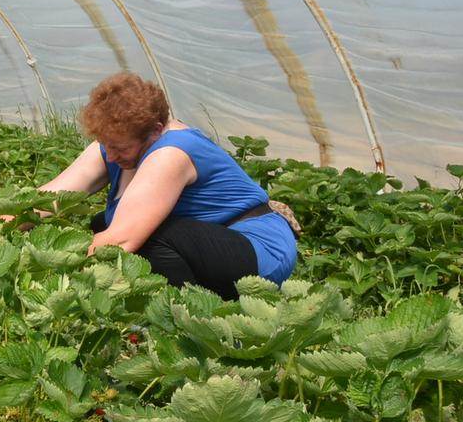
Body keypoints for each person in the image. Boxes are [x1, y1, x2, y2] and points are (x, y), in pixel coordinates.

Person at [34, 71, 298, 298]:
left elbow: (122, 239)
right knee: (101, 223)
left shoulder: (172, 153)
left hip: (260, 252)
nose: (110, 156)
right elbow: (49, 198)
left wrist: (43, 267)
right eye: (106, 145)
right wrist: (4, 223)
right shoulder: (113, 144)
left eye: (119, 148)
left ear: (156, 130)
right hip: (212, 243)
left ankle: (187, 317)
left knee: (148, 236)